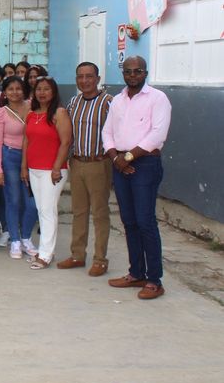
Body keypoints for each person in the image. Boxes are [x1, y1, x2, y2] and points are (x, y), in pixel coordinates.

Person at [102, 57, 171, 299]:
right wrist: (116, 158)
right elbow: (107, 132)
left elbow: (158, 134)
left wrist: (129, 157)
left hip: (145, 164)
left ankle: (154, 280)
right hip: (120, 164)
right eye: (128, 71)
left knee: (145, 221)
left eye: (137, 71)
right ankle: (136, 273)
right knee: (129, 221)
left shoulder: (157, 98)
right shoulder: (117, 100)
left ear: (145, 73)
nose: (132, 75)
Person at [57, 62, 114, 276]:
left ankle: (100, 259)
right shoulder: (74, 102)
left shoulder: (108, 102)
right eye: (80, 76)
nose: (84, 80)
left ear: (97, 79)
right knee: (79, 211)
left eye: (89, 76)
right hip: (77, 162)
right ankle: (77, 255)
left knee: (100, 213)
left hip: (99, 163)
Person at [22, 76, 72, 270]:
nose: (42, 92)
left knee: (47, 211)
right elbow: (26, 141)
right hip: (34, 169)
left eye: (46, 89)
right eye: (38, 89)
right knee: (41, 210)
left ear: (54, 92)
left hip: (52, 171)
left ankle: (45, 255)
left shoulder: (60, 113)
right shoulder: (31, 114)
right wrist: (24, 167)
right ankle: (44, 250)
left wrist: (57, 167)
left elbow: (66, 142)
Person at [0, 76, 38, 259]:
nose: (15, 92)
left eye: (18, 88)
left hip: (33, 158)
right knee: (14, 200)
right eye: (10, 89)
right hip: (10, 157)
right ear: (5, 92)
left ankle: (26, 237)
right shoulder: (0, 113)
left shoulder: (33, 106)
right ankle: (15, 240)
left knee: (33, 203)